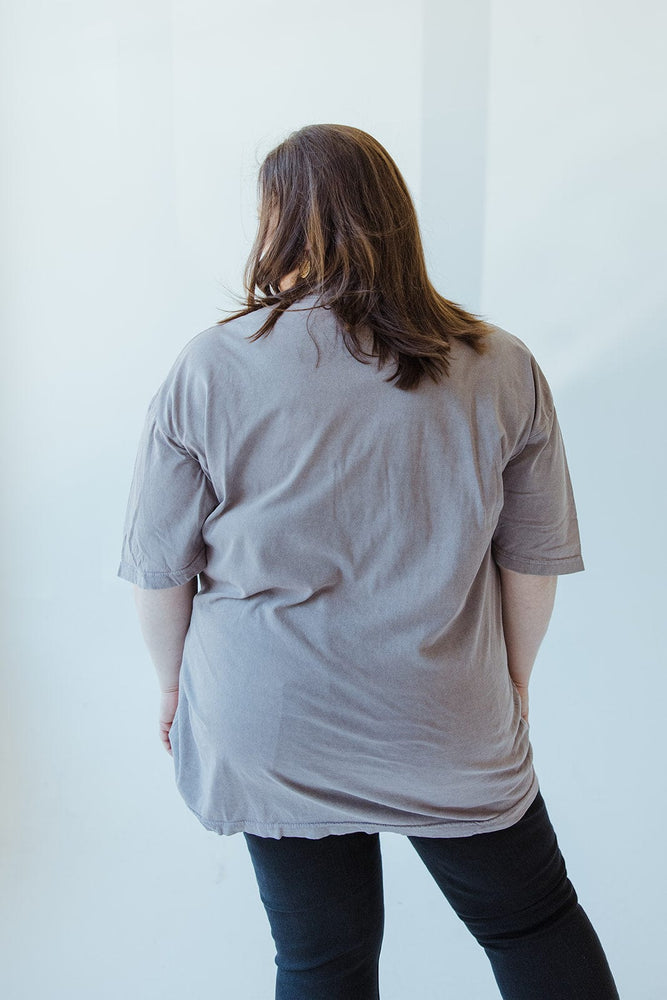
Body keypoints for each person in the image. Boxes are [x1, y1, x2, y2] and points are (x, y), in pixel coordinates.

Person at [117, 123, 620, 999]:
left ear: (278, 223)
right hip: (441, 711)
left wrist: (171, 685)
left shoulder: (209, 365)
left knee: (321, 959)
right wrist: (511, 677)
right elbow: (530, 563)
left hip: (268, 714)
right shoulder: (500, 365)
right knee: (530, 923)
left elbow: (160, 567)